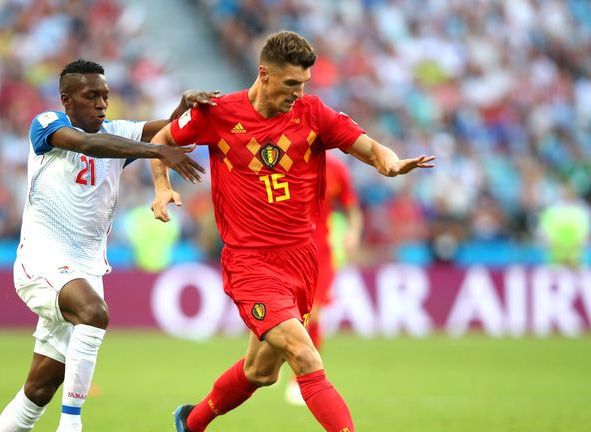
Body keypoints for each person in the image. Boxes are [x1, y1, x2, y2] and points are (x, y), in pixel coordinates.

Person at [149, 31, 435, 432]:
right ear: (263, 74)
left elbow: (369, 147)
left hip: (302, 261)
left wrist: (389, 163)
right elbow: (162, 139)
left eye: (303, 84)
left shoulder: (314, 114)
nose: (298, 93)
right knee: (306, 355)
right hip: (250, 262)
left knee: (260, 371)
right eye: (290, 84)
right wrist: (162, 187)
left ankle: (190, 423)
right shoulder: (217, 113)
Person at [0, 58, 214, 432]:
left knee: (39, 389)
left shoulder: (118, 131)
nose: (101, 103)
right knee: (94, 313)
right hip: (41, 262)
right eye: (90, 95)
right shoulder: (47, 126)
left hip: (87, 269)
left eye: (105, 96)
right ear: (67, 99)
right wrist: (157, 152)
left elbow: (173, 134)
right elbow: (89, 144)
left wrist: (185, 107)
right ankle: (71, 425)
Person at [285, 153, 363, 406]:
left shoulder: (337, 168)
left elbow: (352, 208)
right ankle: (269, 363)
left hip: (321, 254)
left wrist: (353, 232)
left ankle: (301, 379)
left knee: (312, 312)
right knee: (285, 316)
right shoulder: (287, 158)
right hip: (287, 249)